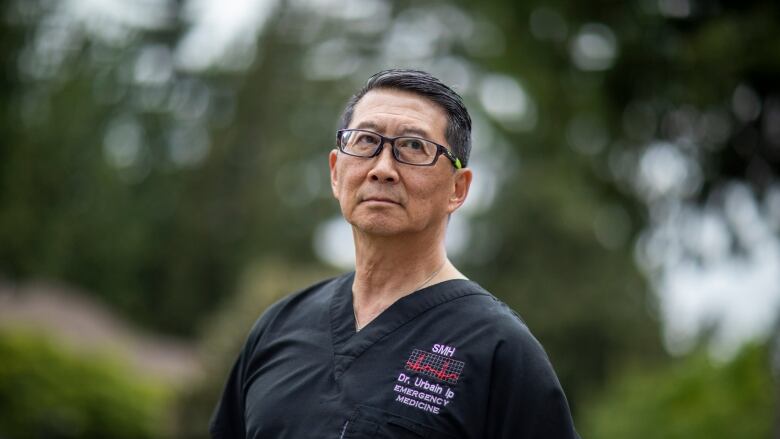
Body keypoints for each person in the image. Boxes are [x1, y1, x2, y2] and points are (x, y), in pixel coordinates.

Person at [210, 69, 579, 439]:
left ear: (457, 188)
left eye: (414, 147)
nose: (383, 169)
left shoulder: (499, 350)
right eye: (366, 140)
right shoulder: (280, 326)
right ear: (336, 172)